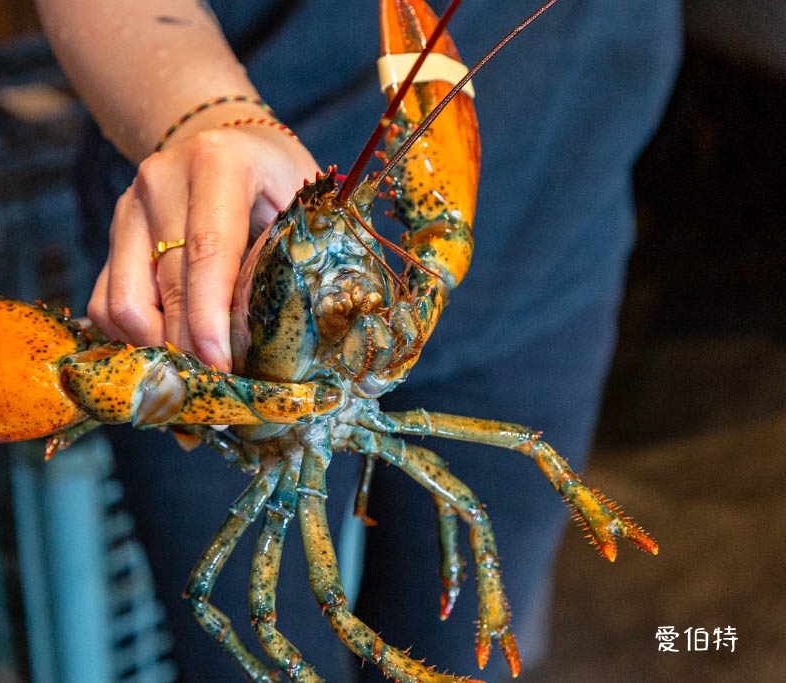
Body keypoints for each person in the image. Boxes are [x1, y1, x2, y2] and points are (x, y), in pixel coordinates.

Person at [34, 0, 682, 680]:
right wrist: (205, 116)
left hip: (556, 202)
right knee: (254, 635)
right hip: (188, 268)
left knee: (470, 628)